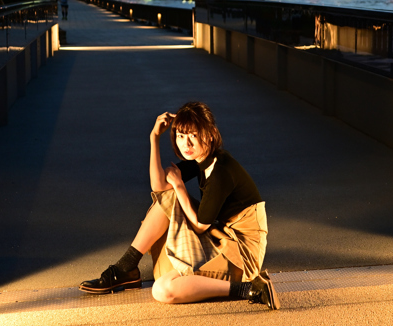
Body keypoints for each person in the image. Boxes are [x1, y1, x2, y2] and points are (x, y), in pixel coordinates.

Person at [79, 101, 279, 309]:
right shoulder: (203, 160)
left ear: (210, 134)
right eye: (180, 136)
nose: (186, 144)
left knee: (163, 289)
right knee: (168, 198)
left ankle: (249, 289)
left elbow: (200, 225)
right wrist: (154, 138)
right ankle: (126, 267)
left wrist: (180, 186)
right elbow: (160, 188)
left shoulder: (221, 170)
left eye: (193, 135)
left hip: (239, 253)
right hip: (221, 236)